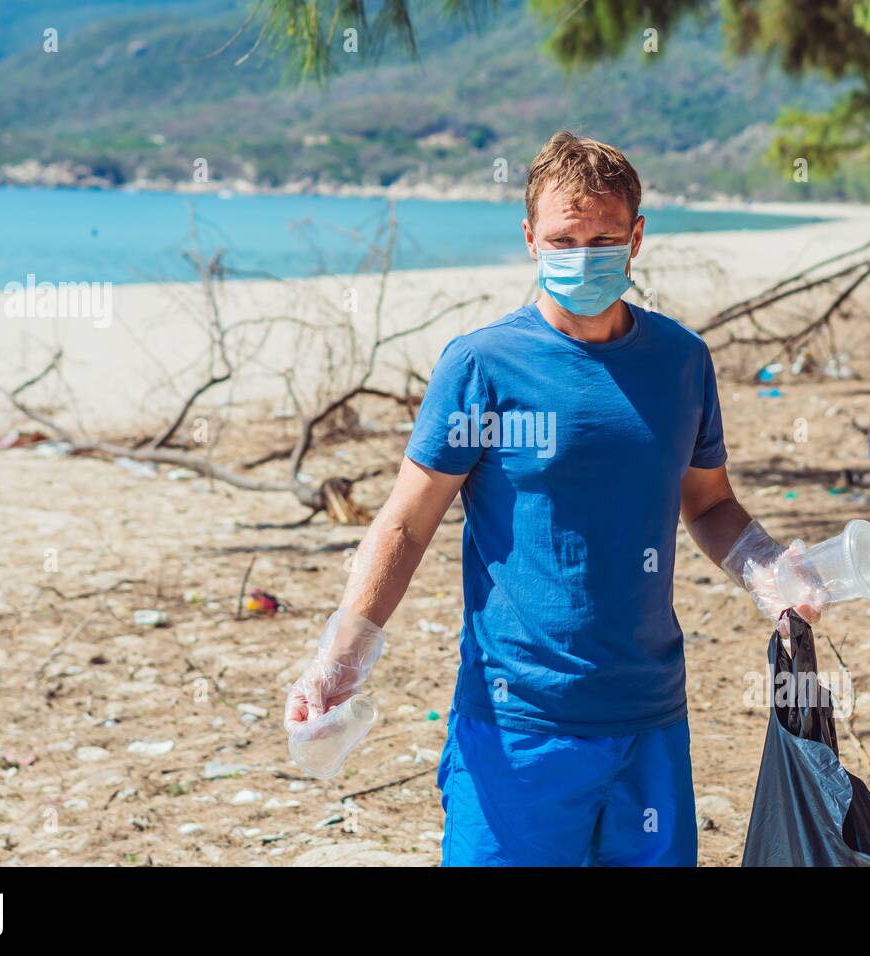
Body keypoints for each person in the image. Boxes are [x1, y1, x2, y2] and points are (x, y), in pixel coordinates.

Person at [285, 130, 825, 866]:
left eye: (603, 237)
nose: (583, 255)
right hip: (518, 725)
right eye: (563, 238)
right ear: (530, 239)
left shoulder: (681, 362)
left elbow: (708, 504)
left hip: (650, 720)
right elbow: (407, 525)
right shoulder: (480, 367)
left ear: (636, 238)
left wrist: (767, 566)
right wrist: (341, 656)